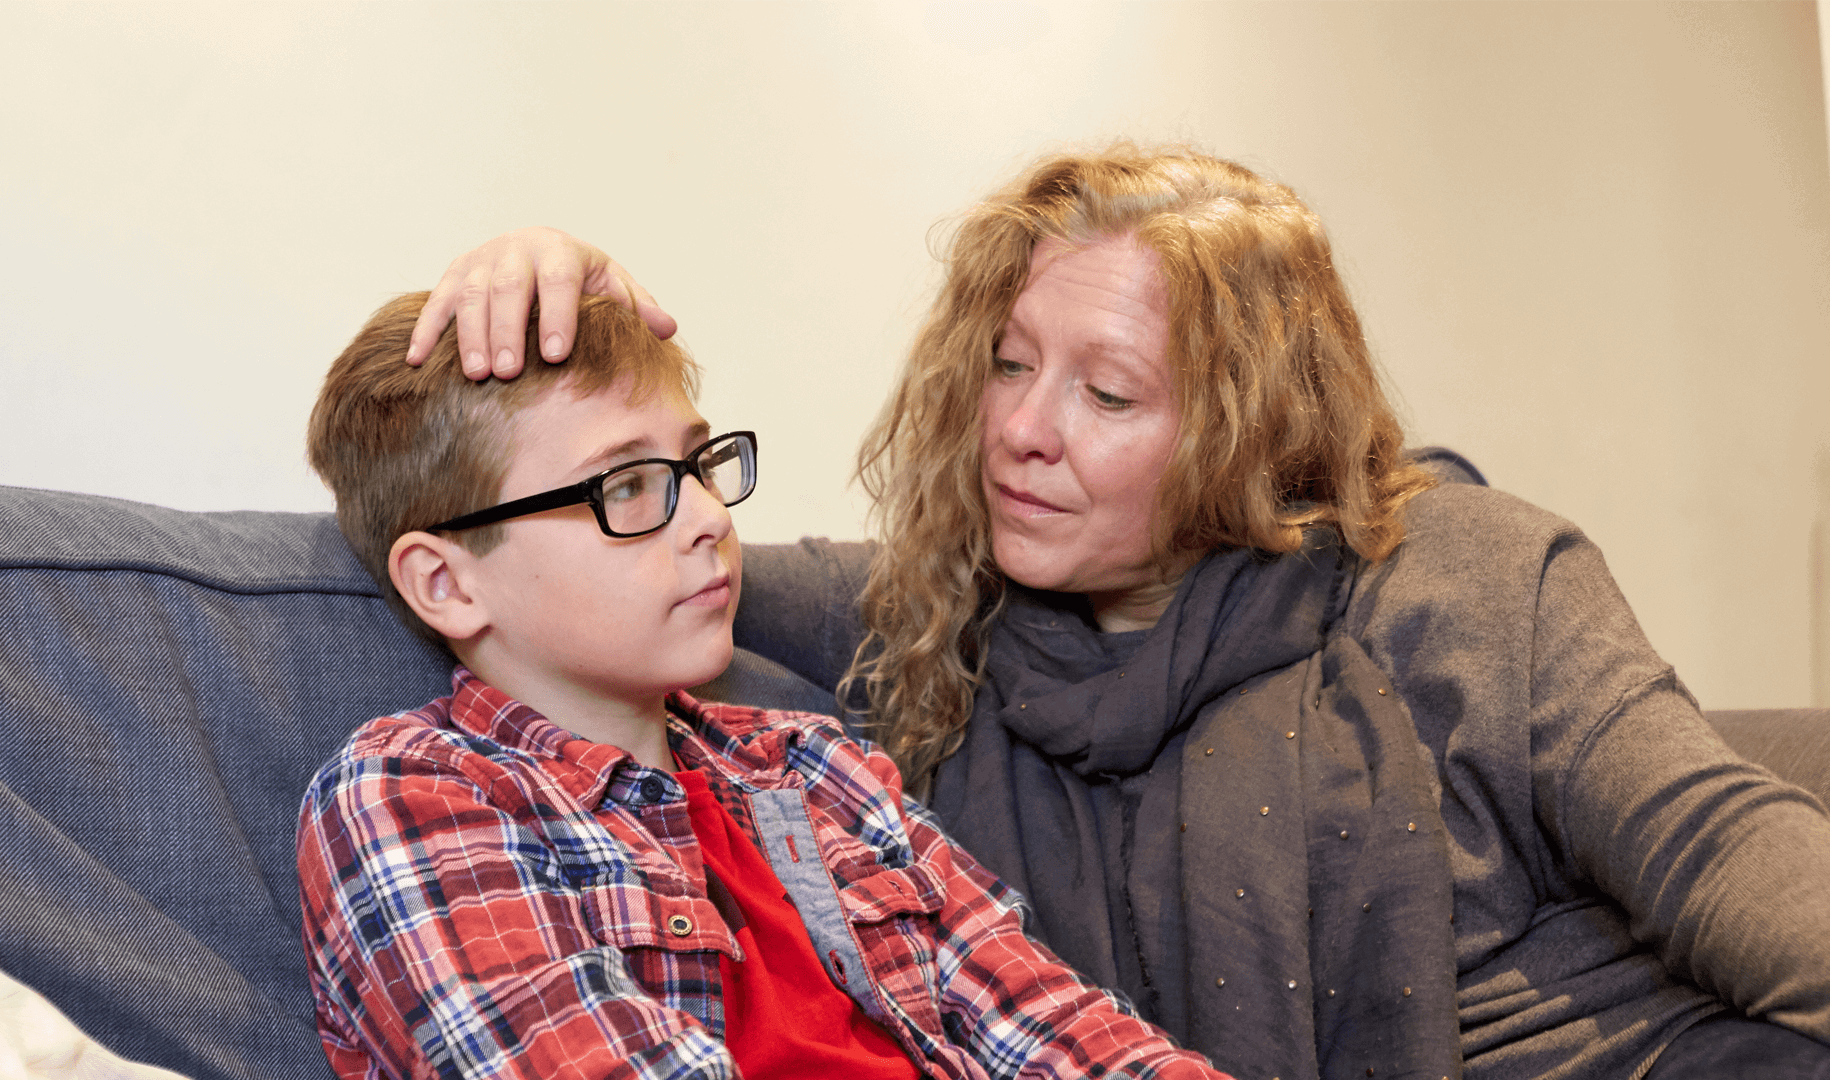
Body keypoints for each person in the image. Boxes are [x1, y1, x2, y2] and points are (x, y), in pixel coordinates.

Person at [409, 145, 1830, 1080]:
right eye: (1007, 364)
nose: (1023, 431)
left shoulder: (1468, 576)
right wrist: (543, 285)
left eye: (1106, 393)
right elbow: (611, 550)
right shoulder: (924, 620)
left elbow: (1741, 867)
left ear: (1254, 429)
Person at [296, 291, 1230, 1080]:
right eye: (625, 486)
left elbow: (1055, 1027)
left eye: (698, 465)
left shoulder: (819, 768)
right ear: (447, 584)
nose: (707, 516)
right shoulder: (407, 793)